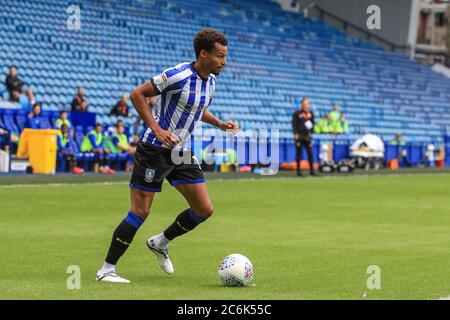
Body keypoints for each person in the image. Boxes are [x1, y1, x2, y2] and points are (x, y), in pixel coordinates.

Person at [96, 29, 238, 283]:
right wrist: (158, 130)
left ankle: (160, 242)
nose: (224, 61)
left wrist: (219, 123)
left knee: (204, 209)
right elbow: (137, 95)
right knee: (140, 211)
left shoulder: (212, 82)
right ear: (203, 54)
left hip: (179, 151)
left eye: (225, 56)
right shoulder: (178, 75)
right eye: (220, 56)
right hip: (154, 149)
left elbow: (198, 108)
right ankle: (106, 270)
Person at [292, 98, 317, 177]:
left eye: (307, 103)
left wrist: (311, 133)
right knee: (299, 154)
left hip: (307, 136)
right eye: (304, 103)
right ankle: (298, 172)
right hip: (299, 136)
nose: (306, 105)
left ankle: (312, 171)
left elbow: (313, 124)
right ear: (301, 104)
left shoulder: (310, 113)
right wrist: (295, 133)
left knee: (310, 153)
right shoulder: (297, 113)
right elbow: (294, 124)